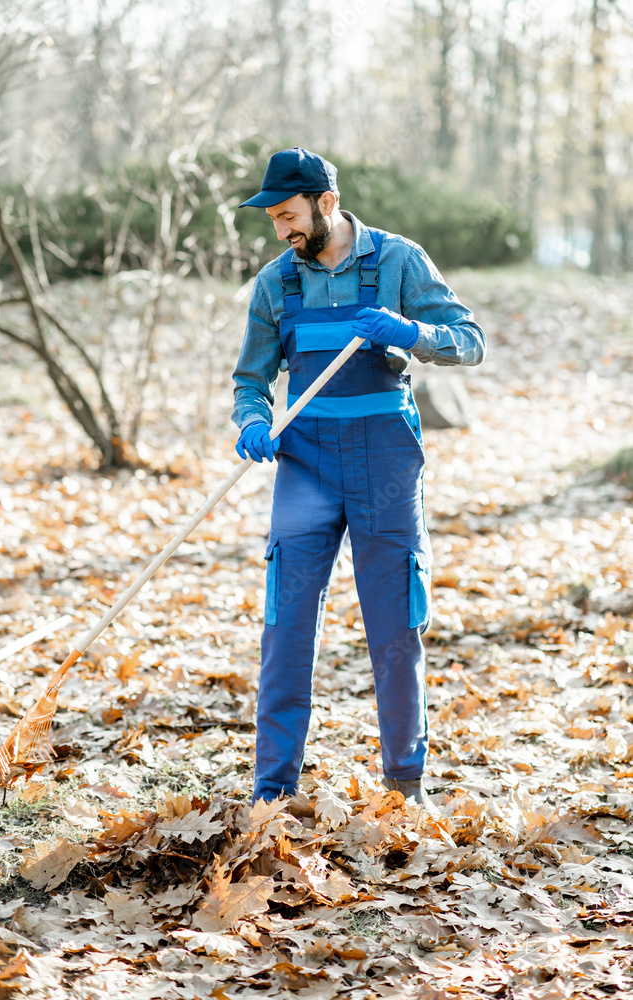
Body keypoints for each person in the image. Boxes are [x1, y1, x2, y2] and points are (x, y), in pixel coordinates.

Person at [232, 147, 486, 805]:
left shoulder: (399, 260)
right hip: (305, 466)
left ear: (325, 203)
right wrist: (251, 419)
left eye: (288, 215)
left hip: (385, 468)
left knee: (395, 626)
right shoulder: (274, 283)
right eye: (273, 219)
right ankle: (271, 793)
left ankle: (405, 788)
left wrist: (410, 329)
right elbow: (250, 378)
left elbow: (468, 338)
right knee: (285, 626)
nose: (281, 230)